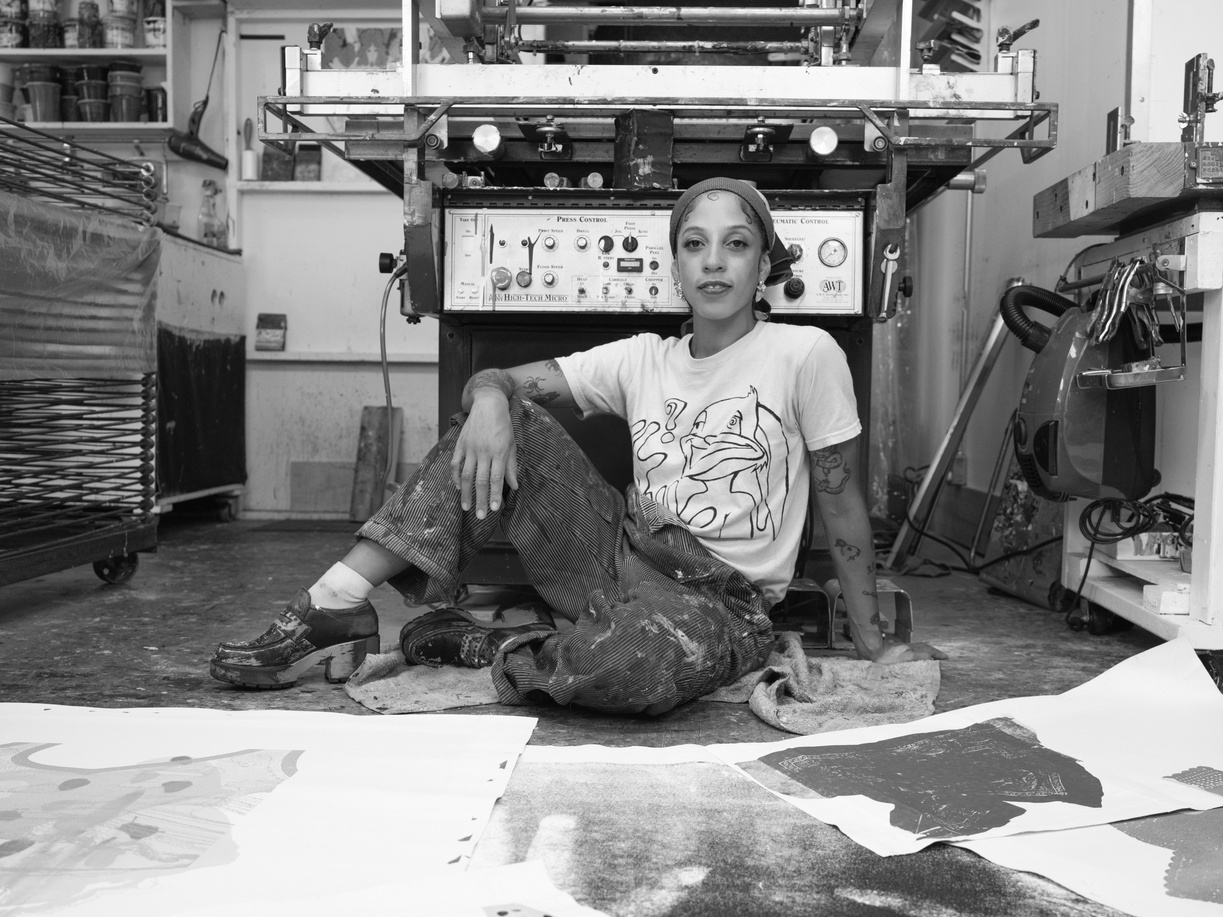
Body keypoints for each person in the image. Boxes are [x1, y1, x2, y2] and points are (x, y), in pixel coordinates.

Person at [210, 177, 945, 714]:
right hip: (617, 558)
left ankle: (474, 644)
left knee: (633, 666)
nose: (713, 262)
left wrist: (873, 639)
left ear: (762, 267)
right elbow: (498, 379)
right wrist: (492, 399)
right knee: (494, 424)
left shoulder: (804, 353)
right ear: (676, 266)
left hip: (719, 602)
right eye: (695, 245)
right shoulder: (641, 357)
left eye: (735, 245)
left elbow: (842, 502)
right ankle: (334, 600)